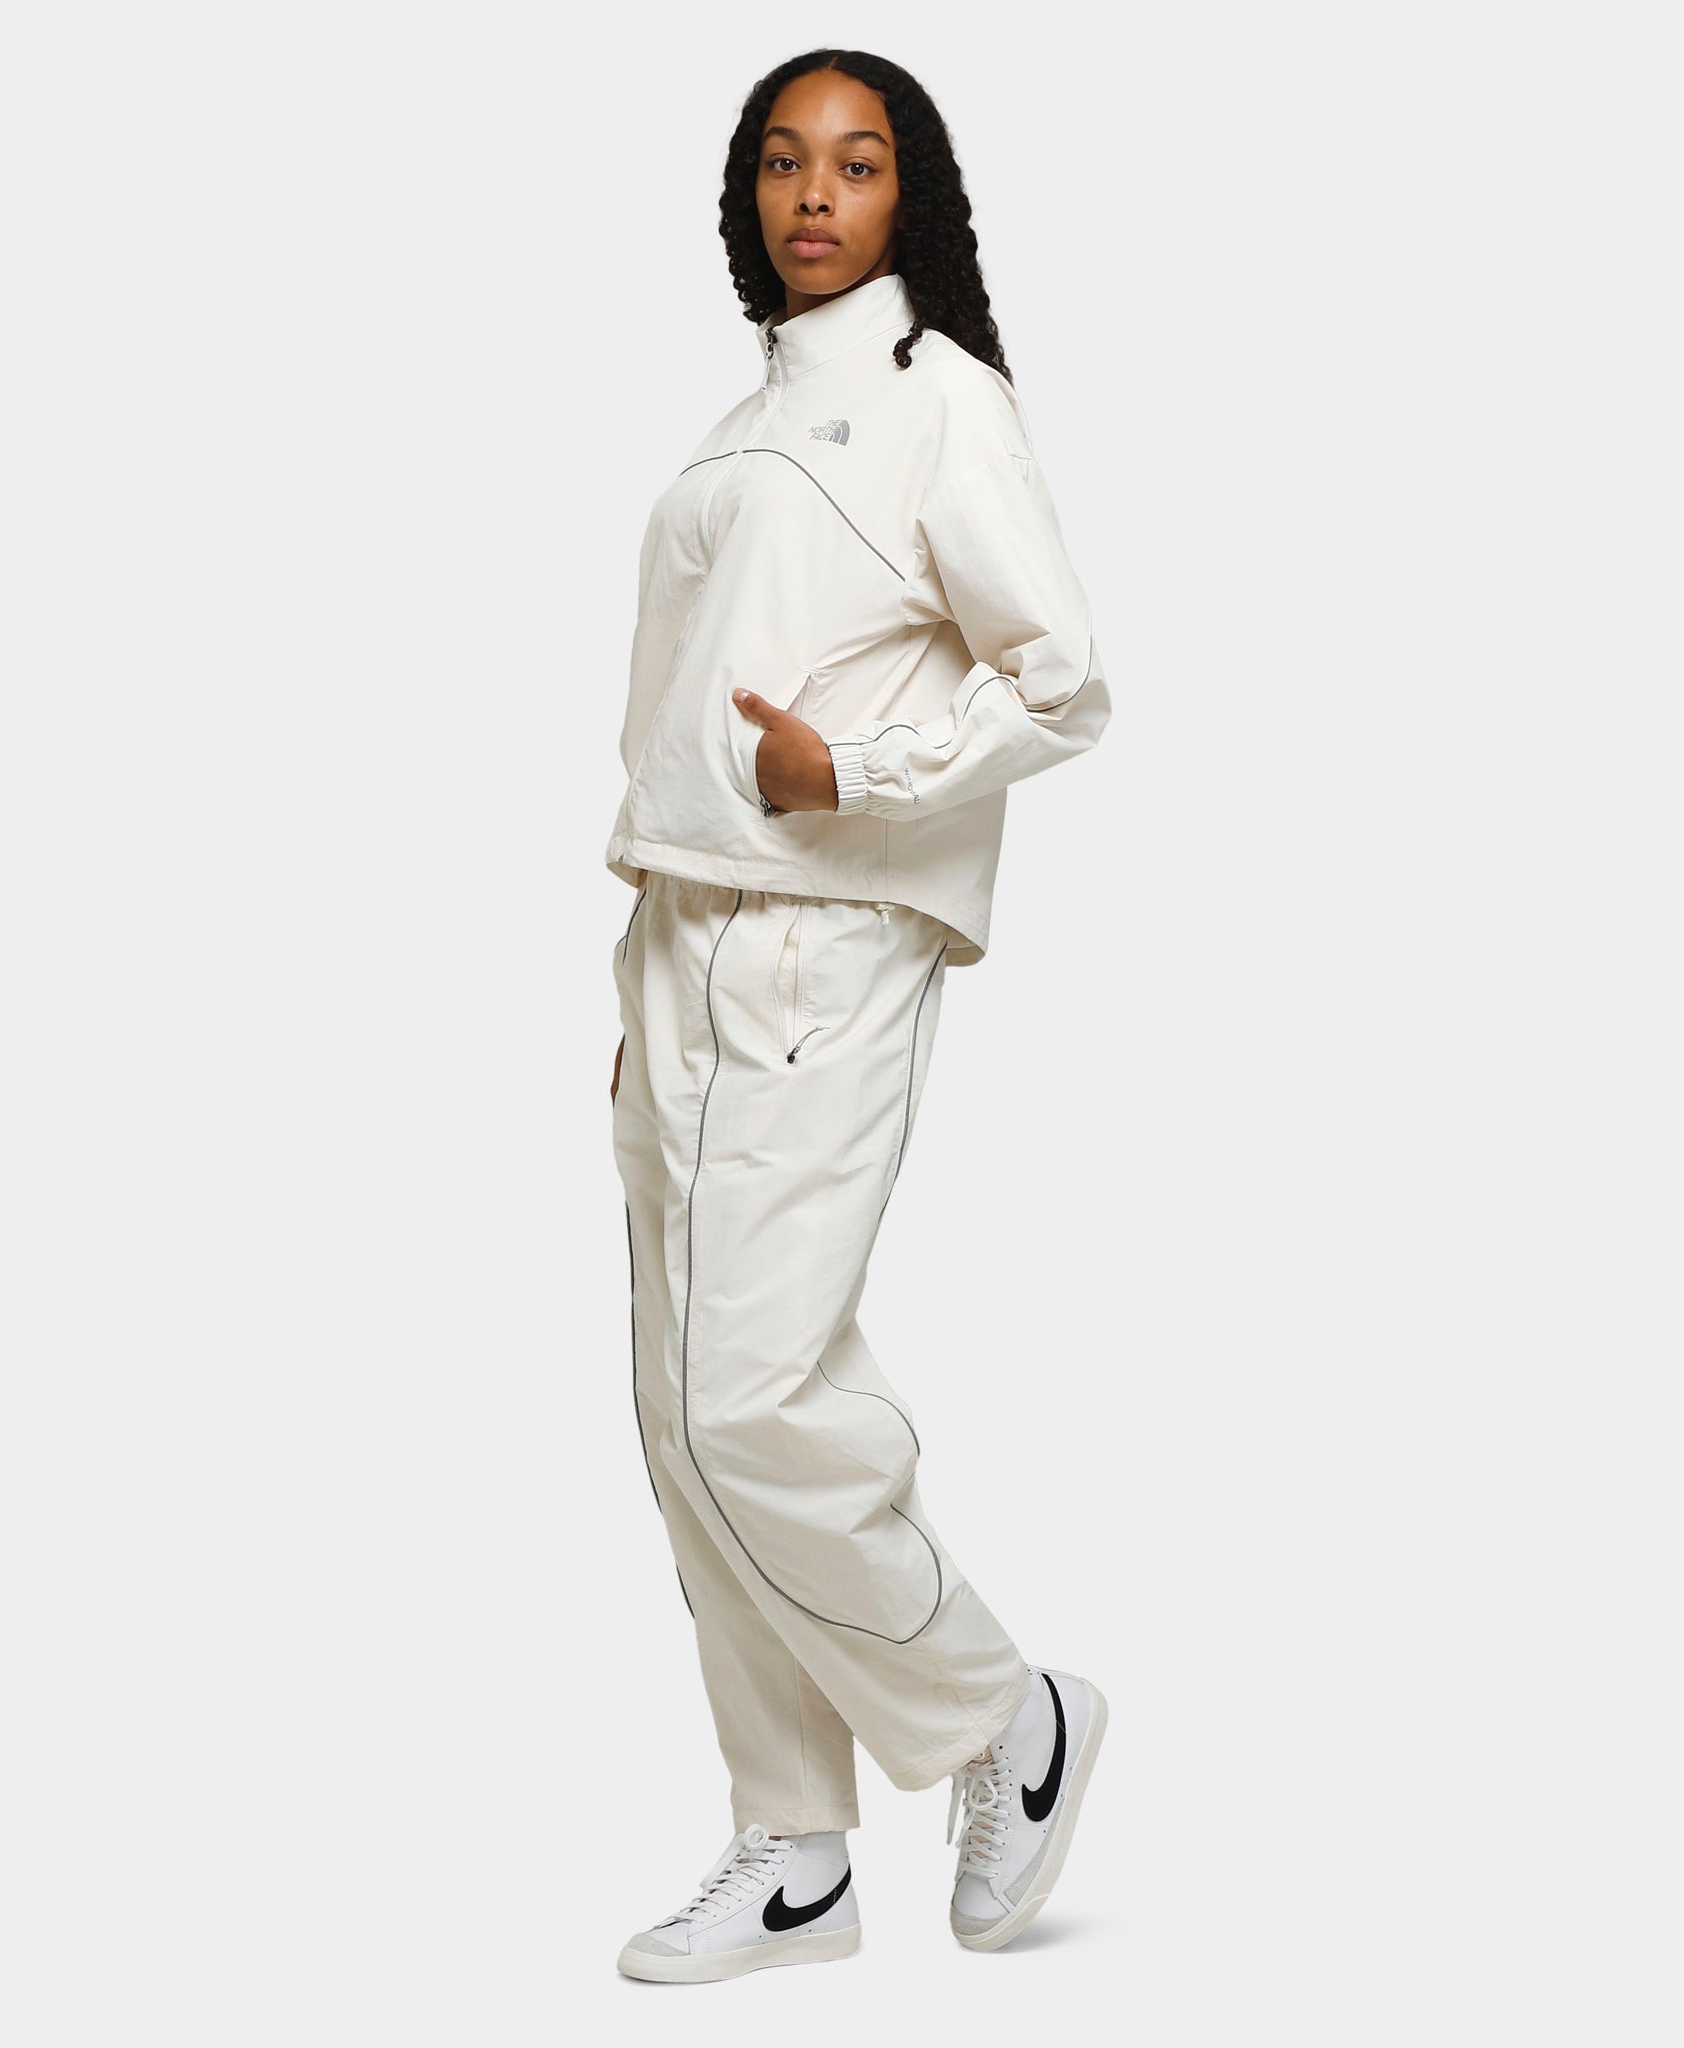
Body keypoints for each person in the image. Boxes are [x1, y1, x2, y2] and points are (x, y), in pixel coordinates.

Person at [605, 49, 1112, 1983]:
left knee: (746, 1398)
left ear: (916, 196)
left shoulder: (939, 401)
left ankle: (1004, 1712)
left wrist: (864, 774)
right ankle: (794, 1847)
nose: (815, 192)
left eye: (860, 161)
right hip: (680, 938)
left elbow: (1060, 679)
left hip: (820, 945)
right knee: (685, 1424)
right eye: (784, 160)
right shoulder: (744, 421)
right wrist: (651, 951)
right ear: (747, 191)